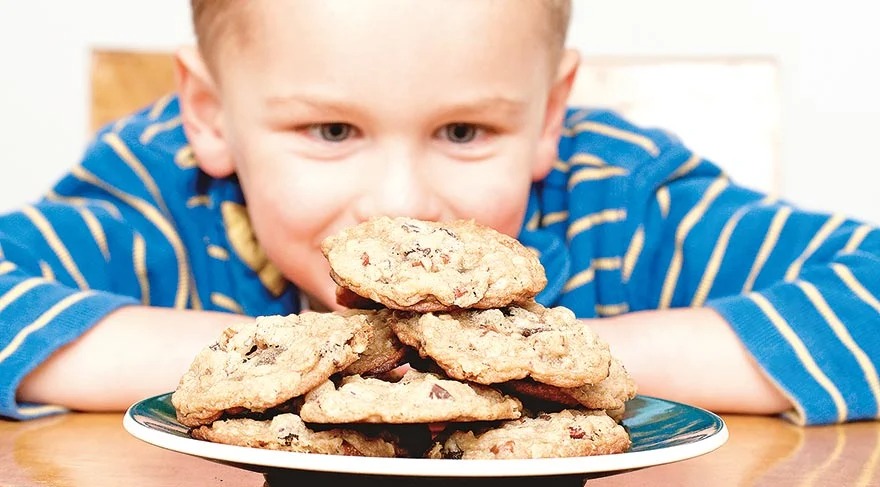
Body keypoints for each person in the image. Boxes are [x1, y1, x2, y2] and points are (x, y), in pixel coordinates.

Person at [1, 0, 877, 426]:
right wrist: (283, 364)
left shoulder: (616, 201)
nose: (403, 207)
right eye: (331, 129)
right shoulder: (161, 193)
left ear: (548, 115)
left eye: (463, 130)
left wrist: (540, 365)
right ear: (210, 115)